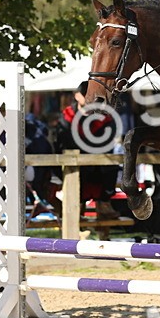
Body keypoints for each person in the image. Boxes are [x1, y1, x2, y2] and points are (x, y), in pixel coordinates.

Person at [54, 82, 121, 218]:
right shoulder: (67, 115)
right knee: (72, 167)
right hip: (75, 161)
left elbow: (108, 139)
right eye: (87, 94)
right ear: (77, 96)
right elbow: (63, 139)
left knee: (110, 165)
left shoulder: (104, 117)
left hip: (98, 160)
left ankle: (104, 203)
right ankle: (76, 204)